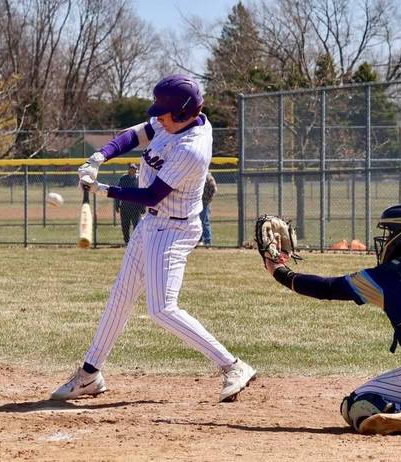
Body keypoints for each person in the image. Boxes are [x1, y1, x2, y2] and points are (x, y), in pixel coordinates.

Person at [51, 74, 256, 402]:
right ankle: (89, 375)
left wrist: (101, 189)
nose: (157, 118)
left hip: (174, 229)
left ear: (182, 113)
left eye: (164, 113)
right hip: (152, 225)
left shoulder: (192, 149)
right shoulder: (172, 121)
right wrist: (98, 157)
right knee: (120, 295)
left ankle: (233, 366)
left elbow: (152, 195)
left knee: (162, 309)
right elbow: (136, 134)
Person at [259, 203, 401, 435]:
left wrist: (279, 269)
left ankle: (391, 410)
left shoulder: (383, 277)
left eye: (389, 232)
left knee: (355, 404)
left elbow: (326, 288)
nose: (385, 239)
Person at [115, 163, 145, 243]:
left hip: (136, 207)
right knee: (125, 226)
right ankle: (127, 241)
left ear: (136, 170)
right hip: (125, 207)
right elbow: (118, 191)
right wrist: (117, 204)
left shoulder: (139, 179)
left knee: (137, 226)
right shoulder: (124, 179)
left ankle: (136, 242)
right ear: (129, 169)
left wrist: (143, 207)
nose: (133, 170)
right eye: (131, 168)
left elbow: (143, 193)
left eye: (134, 168)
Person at [199, 172, 217, 246]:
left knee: (204, 221)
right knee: (197, 221)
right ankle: (199, 240)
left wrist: (209, 199)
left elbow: (214, 189)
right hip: (197, 202)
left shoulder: (208, 177)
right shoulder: (197, 175)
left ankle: (207, 240)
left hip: (204, 202)